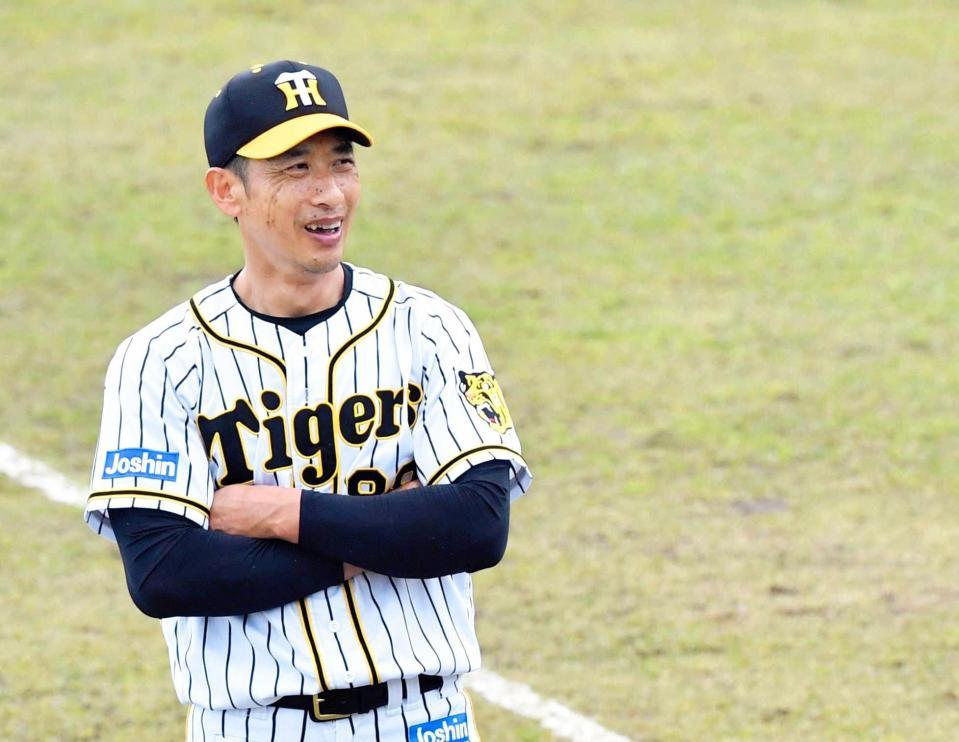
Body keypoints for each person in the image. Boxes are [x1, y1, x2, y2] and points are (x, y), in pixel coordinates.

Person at [84, 60, 531, 742]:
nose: (328, 193)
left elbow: (475, 527)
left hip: (425, 720)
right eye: (295, 169)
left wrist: (279, 512)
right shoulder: (160, 360)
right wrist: (384, 533)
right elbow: (167, 574)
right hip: (253, 728)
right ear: (226, 190)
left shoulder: (429, 328)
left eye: (341, 164)